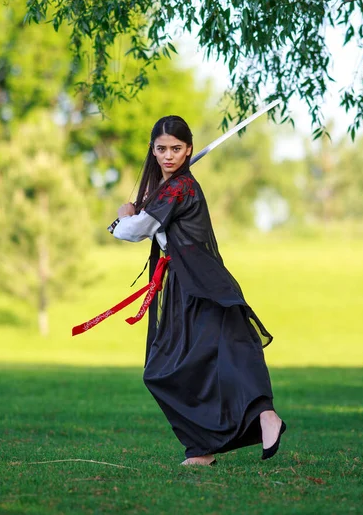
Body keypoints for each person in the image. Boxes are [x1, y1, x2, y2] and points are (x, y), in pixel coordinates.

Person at [112, 115, 285, 466]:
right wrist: (145, 205)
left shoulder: (180, 188)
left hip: (201, 281)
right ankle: (203, 447)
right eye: (161, 149)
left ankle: (265, 417)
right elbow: (154, 225)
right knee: (165, 370)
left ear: (189, 149)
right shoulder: (168, 189)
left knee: (232, 347)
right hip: (180, 283)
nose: (169, 156)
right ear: (153, 150)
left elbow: (136, 230)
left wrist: (122, 216)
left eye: (177, 149)